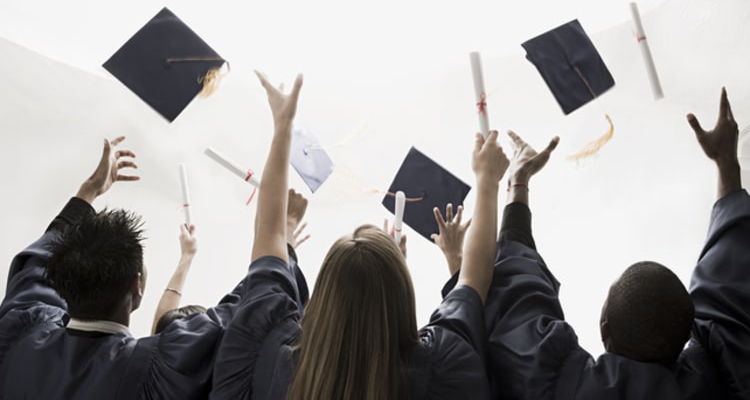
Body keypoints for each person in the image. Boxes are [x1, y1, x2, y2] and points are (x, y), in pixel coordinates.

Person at [210, 71, 510, 400]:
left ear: (324, 294)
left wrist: (283, 126)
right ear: (399, 293)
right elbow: (473, 283)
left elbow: (267, 244)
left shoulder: (269, 360)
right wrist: (489, 181)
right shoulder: (441, 368)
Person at [478, 87, 749, 399]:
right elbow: (729, 288)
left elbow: (517, 294)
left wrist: (519, 181)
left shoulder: (560, 388)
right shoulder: (728, 377)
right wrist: (727, 164)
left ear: (603, 326)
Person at [1, 136, 261, 399]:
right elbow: (246, 312)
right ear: (138, 284)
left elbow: (38, 261)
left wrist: (89, 190)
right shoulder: (154, 370)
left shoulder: (21, 334)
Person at [153, 201, 310, 334]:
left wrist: (186, 257)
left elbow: (158, 332)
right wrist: (282, 249)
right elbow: (258, 295)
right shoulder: (227, 363)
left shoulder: (149, 364)